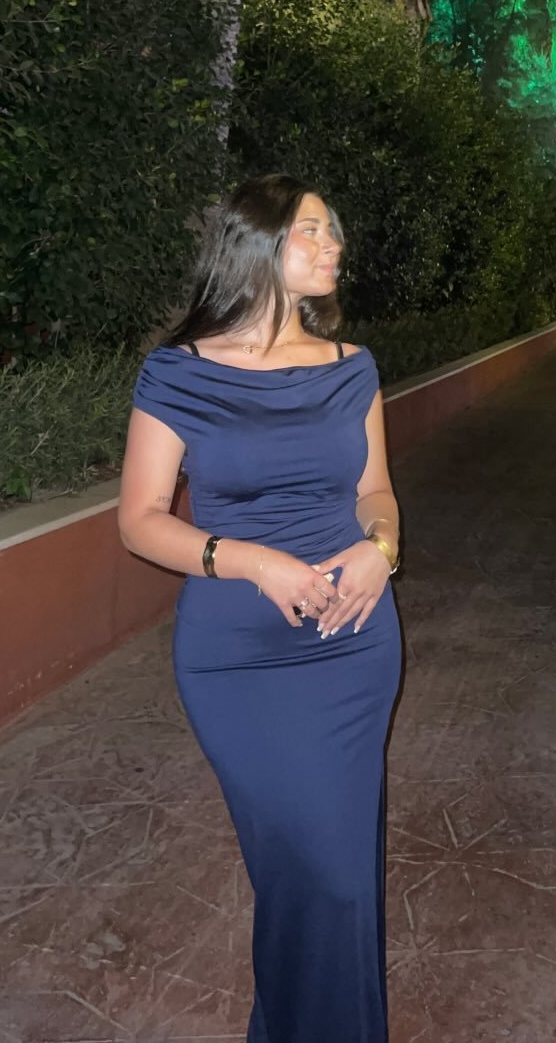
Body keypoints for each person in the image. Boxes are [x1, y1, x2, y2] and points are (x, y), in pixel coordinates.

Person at [118, 173, 403, 1043]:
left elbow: (375, 491)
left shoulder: (351, 367)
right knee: (303, 871)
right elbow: (139, 520)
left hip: (352, 639)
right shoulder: (179, 373)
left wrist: (382, 548)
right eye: (312, 229)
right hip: (238, 655)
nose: (333, 244)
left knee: (339, 874)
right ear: (257, 243)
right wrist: (250, 562)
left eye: (333, 230)